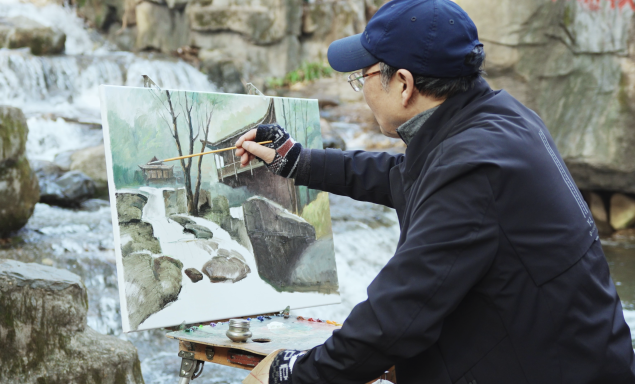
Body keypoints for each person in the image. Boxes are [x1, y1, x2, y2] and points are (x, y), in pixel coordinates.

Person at [234, 0, 635, 383]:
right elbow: (405, 173)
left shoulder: (472, 170)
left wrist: (297, 373)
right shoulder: (499, 119)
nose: (362, 89)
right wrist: (296, 160)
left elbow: (395, 320)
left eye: (363, 77)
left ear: (404, 84)